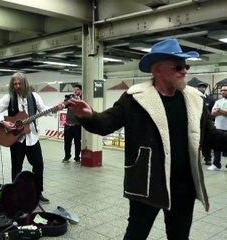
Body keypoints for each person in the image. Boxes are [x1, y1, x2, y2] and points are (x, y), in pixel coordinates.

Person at [68, 38, 227, 239]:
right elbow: (107, 123)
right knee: (136, 234)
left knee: (179, 236)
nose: (184, 71)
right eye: (178, 66)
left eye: (185, 65)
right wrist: (89, 116)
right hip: (146, 183)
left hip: (183, 187)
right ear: (158, 70)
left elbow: (211, 136)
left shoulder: (194, 99)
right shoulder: (135, 97)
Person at [0, 72, 64, 204]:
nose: (17, 86)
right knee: (16, 167)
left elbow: (43, 109)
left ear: (25, 84)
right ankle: (15, 194)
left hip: (33, 137)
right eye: (15, 84)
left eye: (19, 83)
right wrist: (3, 122)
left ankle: (38, 191)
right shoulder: (9, 98)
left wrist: (55, 109)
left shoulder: (34, 96)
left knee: (39, 165)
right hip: (16, 139)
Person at [207, 85, 227, 171]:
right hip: (218, 127)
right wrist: (222, 111)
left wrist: (219, 110)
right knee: (217, 146)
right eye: (222, 90)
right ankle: (216, 164)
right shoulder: (218, 101)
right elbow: (212, 113)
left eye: (225, 90)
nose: (223, 92)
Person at [62, 84, 82, 163]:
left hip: (77, 125)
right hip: (68, 125)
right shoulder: (70, 98)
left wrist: (79, 100)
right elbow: (64, 105)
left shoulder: (83, 99)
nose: (75, 91)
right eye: (74, 90)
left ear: (80, 91)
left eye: (77, 90)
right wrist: (69, 99)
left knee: (77, 143)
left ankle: (77, 157)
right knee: (67, 142)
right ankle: (67, 156)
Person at [196, 82, 215, 165]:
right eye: (200, 87)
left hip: (206, 124)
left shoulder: (210, 100)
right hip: (195, 123)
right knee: (195, 142)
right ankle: (194, 160)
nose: (201, 88)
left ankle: (208, 158)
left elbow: (212, 111)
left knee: (206, 142)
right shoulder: (193, 98)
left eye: (203, 87)